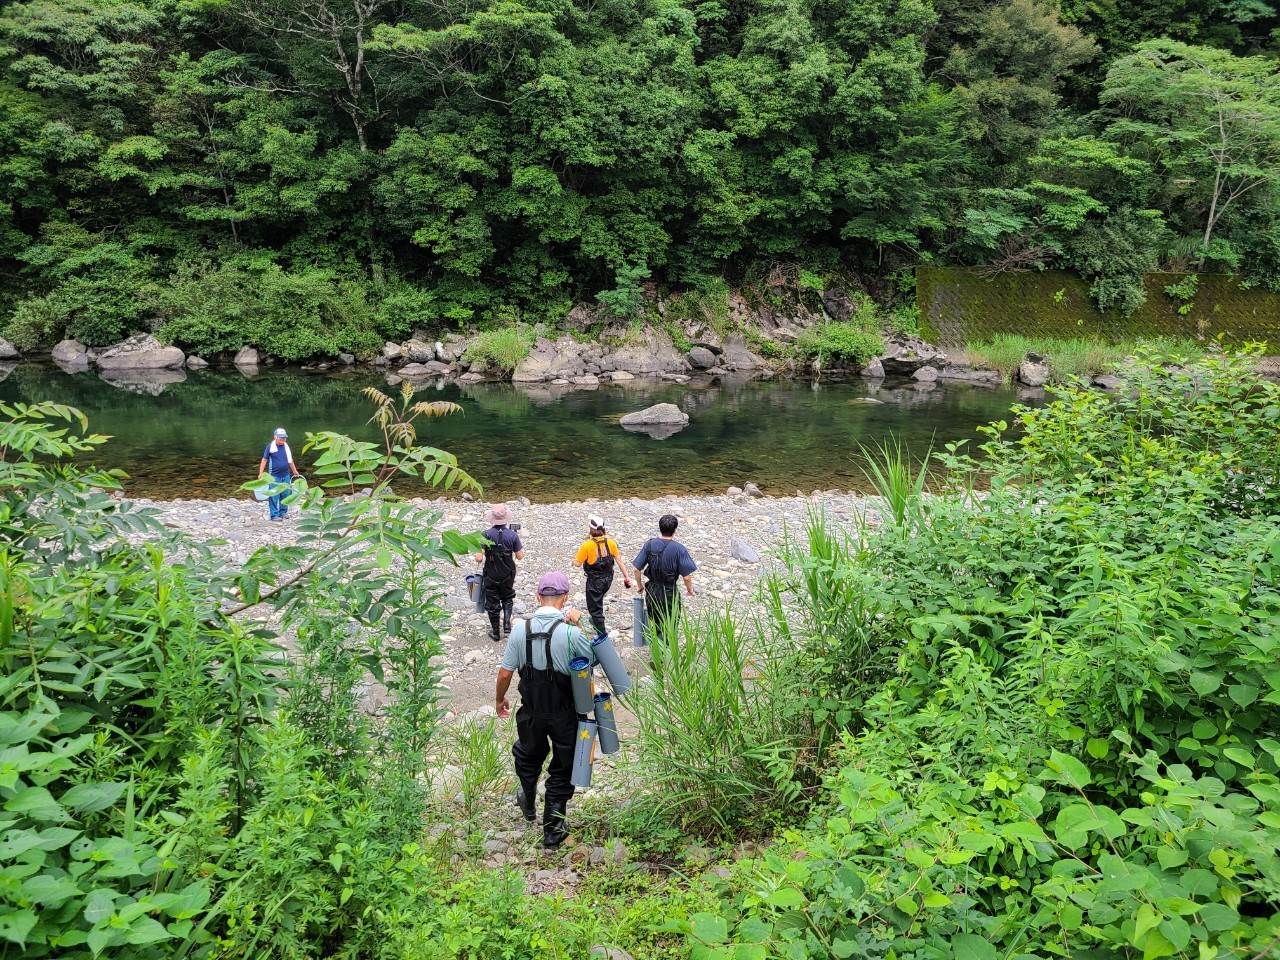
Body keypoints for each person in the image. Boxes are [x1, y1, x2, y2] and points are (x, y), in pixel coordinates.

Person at [494, 571, 596, 849]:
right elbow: (594, 659)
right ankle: (553, 831)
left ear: (538, 596)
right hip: (565, 712)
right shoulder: (572, 633)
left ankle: (527, 798)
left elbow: (505, 674)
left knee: (528, 755)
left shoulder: (519, 630)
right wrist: (582, 623)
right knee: (563, 767)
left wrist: (499, 700)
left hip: (532, 710)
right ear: (565, 599)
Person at [632, 513, 697, 638]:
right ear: (675, 530)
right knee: (670, 624)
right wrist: (690, 590)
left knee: (655, 622)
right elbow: (687, 577)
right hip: (669, 592)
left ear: (660, 528)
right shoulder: (679, 549)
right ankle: (667, 650)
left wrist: (640, 586)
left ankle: (657, 652)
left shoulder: (649, 544)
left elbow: (636, 568)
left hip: (652, 590)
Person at [572, 515, 631, 637]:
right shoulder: (611, 543)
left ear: (590, 529)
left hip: (595, 581)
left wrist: (573, 561)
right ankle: (595, 621)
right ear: (603, 528)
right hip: (608, 579)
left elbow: (577, 564)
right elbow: (619, 561)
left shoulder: (587, 545)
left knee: (595, 609)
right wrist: (626, 577)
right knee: (597, 601)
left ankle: (602, 634)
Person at [474, 503, 524, 642]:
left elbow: (479, 558)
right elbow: (519, 556)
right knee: (507, 597)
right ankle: (507, 626)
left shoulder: (486, 535)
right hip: (508, 572)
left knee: (492, 600)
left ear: (492, 518)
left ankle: (495, 632)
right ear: (506, 518)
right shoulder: (512, 535)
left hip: (491, 574)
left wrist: (478, 553)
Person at [258, 427, 302, 521]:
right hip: (274, 475)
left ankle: (283, 512)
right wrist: (261, 473)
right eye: (281, 437)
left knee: (285, 494)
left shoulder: (286, 446)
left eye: (284, 437)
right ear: (275, 437)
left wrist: (294, 470)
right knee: (274, 495)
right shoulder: (270, 447)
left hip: (285, 474)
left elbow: (290, 460)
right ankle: (274, 515)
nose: (283, 439)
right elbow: (264, 459)